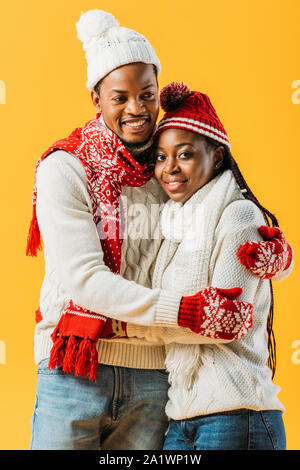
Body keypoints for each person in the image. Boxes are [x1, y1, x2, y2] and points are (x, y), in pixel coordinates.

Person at [27, 10, 292, 450]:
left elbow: (229, 225)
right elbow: (84, 279)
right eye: (120, 97)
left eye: (147, 94)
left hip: (156, 378)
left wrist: (279, 258)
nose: (136, 109)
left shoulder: (170, 167)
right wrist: (185, 312)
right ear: (96, 99)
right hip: (75, 366)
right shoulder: (65, 168)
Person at [132, 81, 290, 450]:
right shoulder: (173, 222)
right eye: (160, 156)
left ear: (216, 158)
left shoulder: (238, 214)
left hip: (239, 415)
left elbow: (223, 322)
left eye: (184, 154)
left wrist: (129, 326)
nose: (169, 168)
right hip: (181, 416)